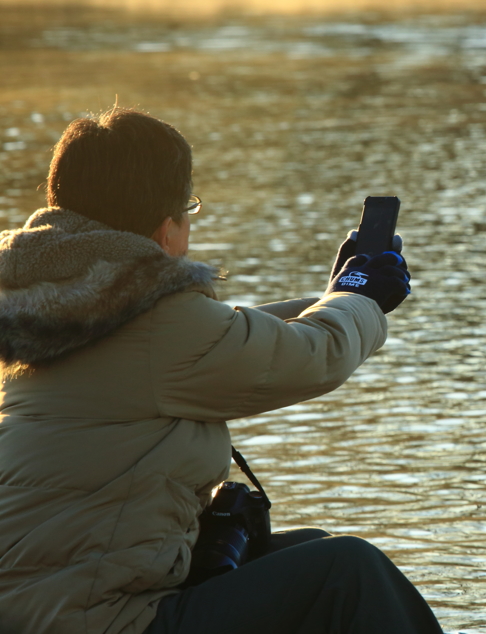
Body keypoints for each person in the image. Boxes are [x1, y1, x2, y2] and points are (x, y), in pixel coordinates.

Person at [0, 107, 443, 634]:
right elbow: (310, 356)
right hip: (101, 620)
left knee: (306, 548)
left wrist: (339, 296)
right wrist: (361, 299)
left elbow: (223, 334)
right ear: (165, 228)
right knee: (348, 570)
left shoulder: (44, 306)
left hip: (38, 607)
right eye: (188, 209)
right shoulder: (160, 327)